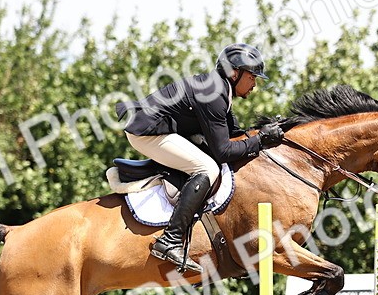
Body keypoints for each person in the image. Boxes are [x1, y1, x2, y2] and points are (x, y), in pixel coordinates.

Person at [119, 43, 286, 272]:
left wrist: (263, 132)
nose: (255, 84)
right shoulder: (213, 95)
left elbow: (234, 136)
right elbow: (224, 151)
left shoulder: (220, 91)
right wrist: (260, 141)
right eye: (252, 77)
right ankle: (170, 240)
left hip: (161, 129)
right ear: (234, 73)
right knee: (207, 168)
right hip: (147, 133)